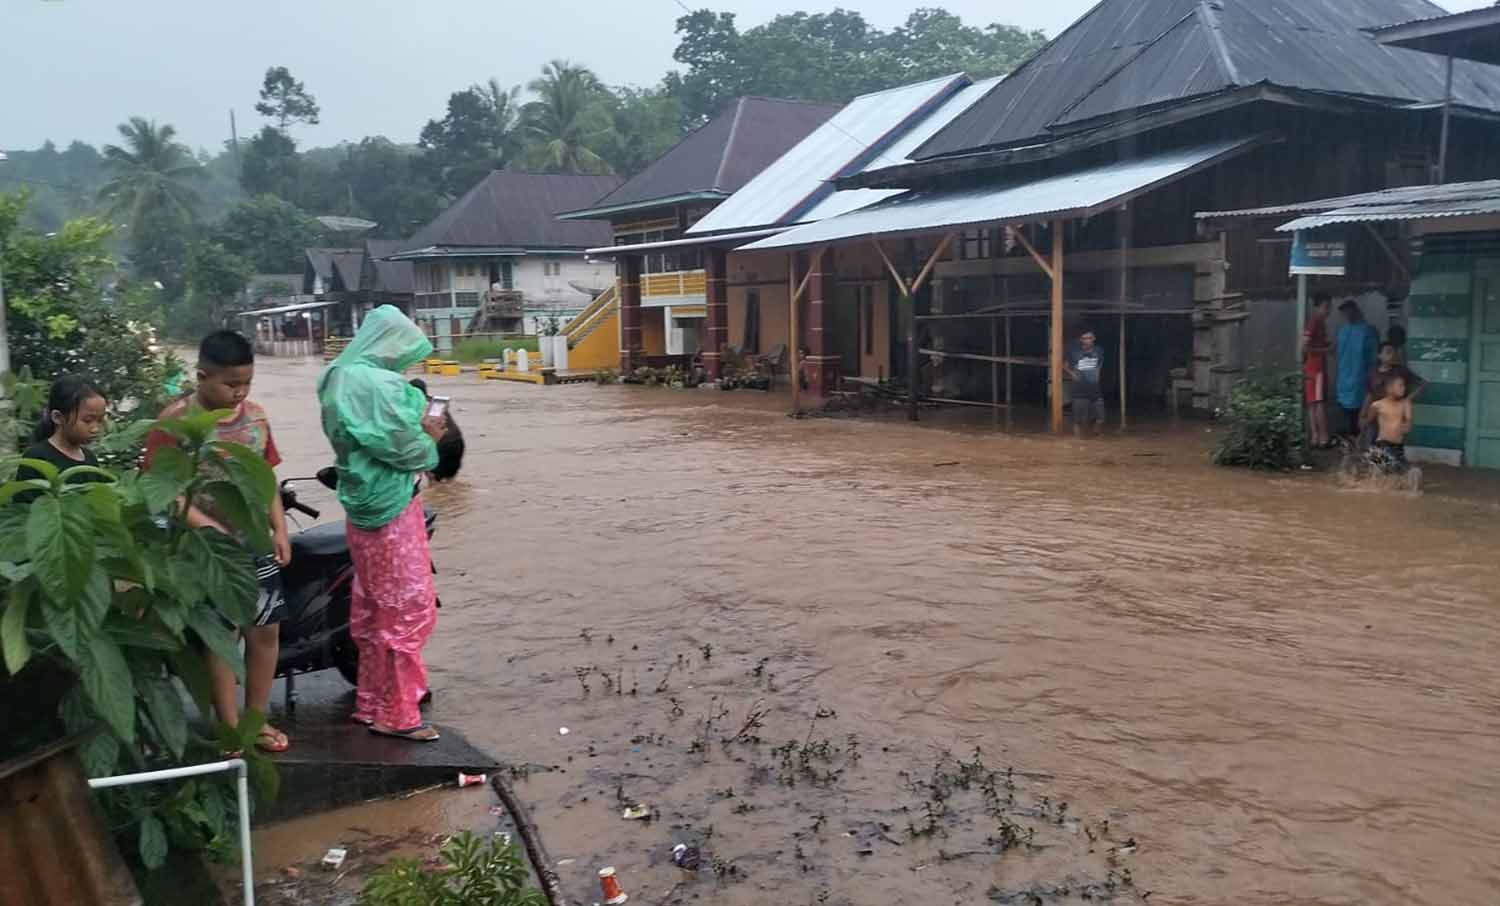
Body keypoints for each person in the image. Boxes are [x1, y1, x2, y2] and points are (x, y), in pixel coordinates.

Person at [144, 331, 292, 754]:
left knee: (265, 632)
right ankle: (229, 728)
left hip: (255, 545)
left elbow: (266, 482)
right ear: (202, 376)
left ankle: (256, 720)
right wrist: (208, 529)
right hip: (204, 552)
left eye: (246, 383)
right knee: (221, 636)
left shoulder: (257, 419)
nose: (239, 392)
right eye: (230, 384)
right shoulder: (173, 422)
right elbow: (162, 491)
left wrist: (278, 529)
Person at [317, 306, 447, 742]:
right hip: (392, 506)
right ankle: (399, 714)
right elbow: (402, 446)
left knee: (372, 608)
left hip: (362, 504)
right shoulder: (374, 384)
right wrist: (430, 436)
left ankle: (372, 702)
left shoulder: (337, 375)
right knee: (408, 609)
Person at [17, 375, 111, 490]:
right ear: (57, 417)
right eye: (88, 420)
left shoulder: (90, 458)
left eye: (100, 420)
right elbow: (24, 505)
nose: (95, 428)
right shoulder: (36, 458)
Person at [407, 378, 466, 483]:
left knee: (434, 482)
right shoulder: (435, 401)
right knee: (450, 483)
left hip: (441, 444)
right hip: (457, 442)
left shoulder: (413, 404)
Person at [1334, 301, 1378, 440]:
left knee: (1361, 414)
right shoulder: (1343, 331)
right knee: (1347, 414)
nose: (1346, 315)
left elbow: (1373, 357)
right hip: (1345, 378)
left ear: (1355, 310)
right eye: (1344, 313)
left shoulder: (1368, 331)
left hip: (1360, 378)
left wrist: (1372, 377)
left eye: (1348, 312)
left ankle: (1361, 443)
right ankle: (1352, 441)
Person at [1363, 372, 1414, 476]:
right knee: (1377, 474)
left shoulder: (1405, 404)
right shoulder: (1377, 405)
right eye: (1400, 385)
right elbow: (1367, 422)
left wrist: (1406, 427)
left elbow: (1409, 421)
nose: (1403, 388)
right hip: (1381, 445)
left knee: (1407, 472)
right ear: (1389, 388)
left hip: (1397, 447)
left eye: (1404, 385)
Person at [1301, 293, 1333, 448]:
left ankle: (1315, 437)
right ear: (1317, 307)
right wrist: (1324, 351)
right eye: (1326, 307)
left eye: (1329, 307)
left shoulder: (1319, 323)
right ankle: (1323, 437)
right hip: (1316, 366)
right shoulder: (1315, 321)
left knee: (1312, 403)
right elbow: (1304, 346)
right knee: (1319, 402)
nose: (1328, 311)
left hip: (1311, 366)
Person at [1065, 328, 1105, 438]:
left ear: (1094, 339)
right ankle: (1077, 439)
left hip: (1094, 387)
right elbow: (1065, 365)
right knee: (1078, 418)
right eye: (1084, 338)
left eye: (1089, 338)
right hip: (1079, 387)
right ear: (1081, 340)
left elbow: (1100, 363)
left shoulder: (1099, 350)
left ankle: (1096, 432)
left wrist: (1097, 374)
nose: (1087, 340)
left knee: (1100, 415)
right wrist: (1072, 374)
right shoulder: (1074, 352)